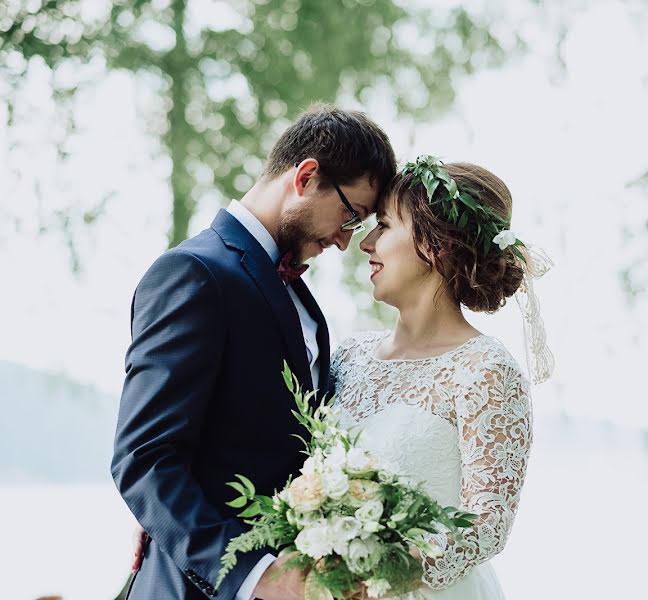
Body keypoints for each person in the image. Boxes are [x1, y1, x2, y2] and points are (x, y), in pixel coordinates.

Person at [111, 103, 396, 600]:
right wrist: (253, 573)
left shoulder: (301, 300)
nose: (346, 241)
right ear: (306, 177)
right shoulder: (192, 274)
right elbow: (144, 457)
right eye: (351, 216)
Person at [328, 156, 553, 599]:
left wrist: (374, 578)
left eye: (386, 225)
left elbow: (487, 526)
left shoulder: (485, 371)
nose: (365, 243)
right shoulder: (348, 356)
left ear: (437, 244)